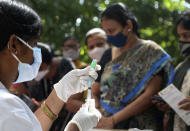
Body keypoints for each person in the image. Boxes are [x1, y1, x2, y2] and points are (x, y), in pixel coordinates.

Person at [0, 0, 101, 131]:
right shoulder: (8, 109)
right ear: (14, 45)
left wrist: (59, 93)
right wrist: (75, 126)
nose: (36, 55)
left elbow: (32, 128)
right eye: (34, 44)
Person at [93, 3, 174, 130]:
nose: (109, 37)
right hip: (104, 124)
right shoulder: (108, 55)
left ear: (128, 26)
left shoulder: (150, 52)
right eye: (106, 32)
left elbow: (150, 95)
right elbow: (94, 91)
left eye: (112, 31)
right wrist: (97, 111)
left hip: (140, 125)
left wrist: (113, 120)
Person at [152, 10, 190, 131]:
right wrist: (167, 105)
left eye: (186, 35)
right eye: (179, 36)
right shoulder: (180, 67)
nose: (181, 41)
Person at [66, 28, 110, 113]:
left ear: (109, 44)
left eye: (100, 44)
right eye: (91, 47)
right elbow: (70, 102)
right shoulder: (84, 72)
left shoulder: (121, 64)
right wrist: (94, 110)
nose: (96, 49)